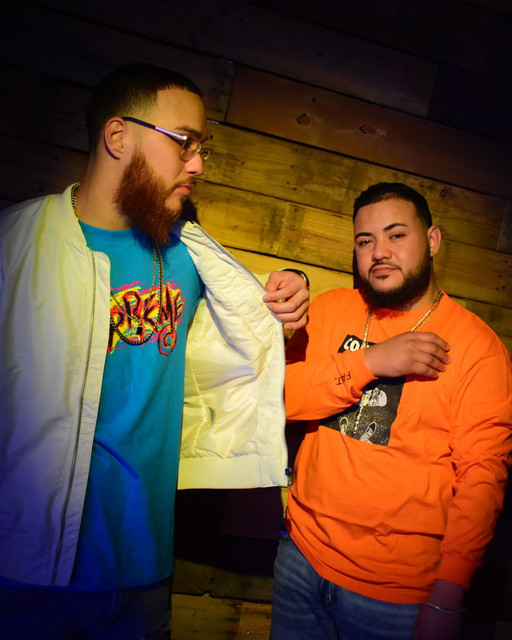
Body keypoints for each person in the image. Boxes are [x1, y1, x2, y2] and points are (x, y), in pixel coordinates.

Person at [0, 63, 310, 639]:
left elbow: (244, 333)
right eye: (184, 142)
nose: (198, 164)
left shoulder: (191, 255)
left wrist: (292, 288)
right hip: (22, 573)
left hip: (143, 572)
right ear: (118, 136)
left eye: (202, 148)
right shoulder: (14, 246)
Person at [270, 182, 512, 640]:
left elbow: (482, 478)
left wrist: (448, 597)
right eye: (365, 241)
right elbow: (280, 399)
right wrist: (371, 361)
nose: (379, 252)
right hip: (300, 558)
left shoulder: (477, 348)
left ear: (432, 240)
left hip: (396, 596)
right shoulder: (332, 309)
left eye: (396, 235)